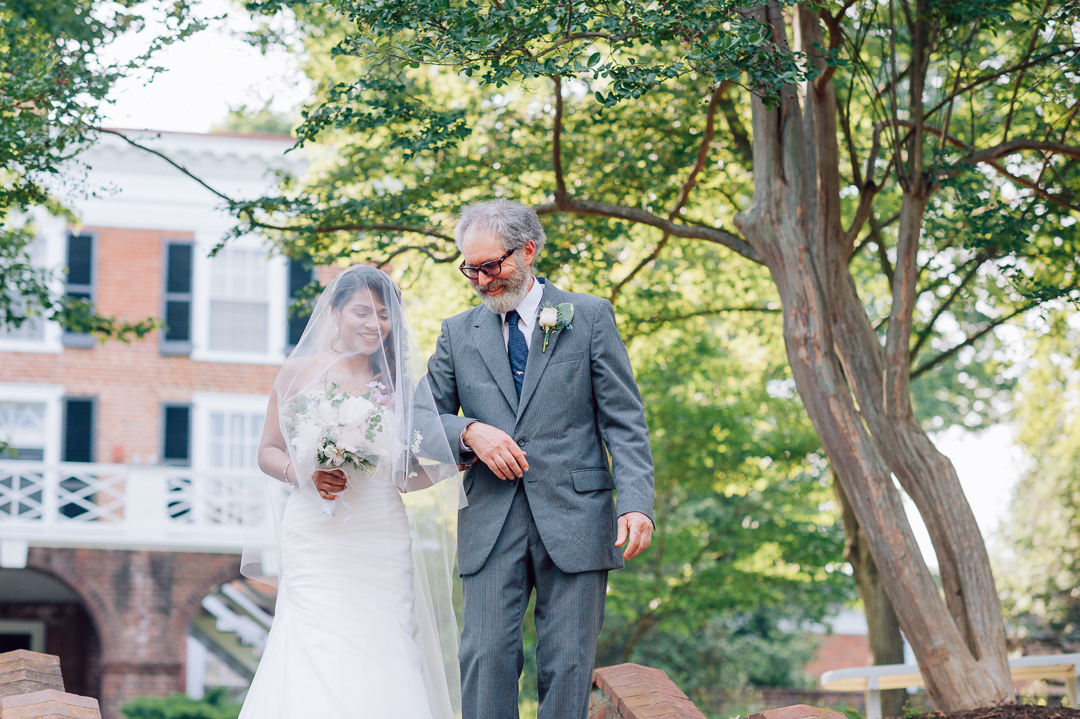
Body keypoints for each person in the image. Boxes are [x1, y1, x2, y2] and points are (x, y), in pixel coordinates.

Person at [426, 199, 656, 719]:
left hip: (579, 517)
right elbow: (420, 418)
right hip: (489, 520)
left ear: (527, 251)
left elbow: (624, 419)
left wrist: (637, 503)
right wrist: (470, 431)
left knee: (569, 665)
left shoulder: (590, 316)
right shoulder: (457, 333)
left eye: (492, 266)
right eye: (470, 268)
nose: (481, 280)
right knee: (484, 659)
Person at [240, 265, 463, 719]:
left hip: (380, 530)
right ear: (336, 312)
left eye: (383, 315)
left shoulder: (400, 385)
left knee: (388, 635)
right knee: (314, 634)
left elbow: (402, 477)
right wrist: (302, 473)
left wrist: (454, 467)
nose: (372, 324)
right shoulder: (298, 373)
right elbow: (267, 450)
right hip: (316, 531)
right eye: (362, 311)